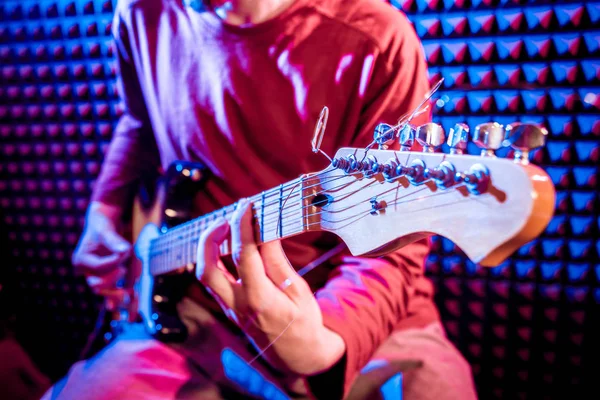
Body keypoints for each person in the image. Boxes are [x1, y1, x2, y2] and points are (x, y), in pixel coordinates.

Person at [42, 0, 477, 398]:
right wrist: (104, 209)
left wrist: (323, 343)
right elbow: (138, 124)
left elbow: (394, 248)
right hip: (192, 311)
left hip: (353, 309)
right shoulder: (140, 12)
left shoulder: (376, 38)